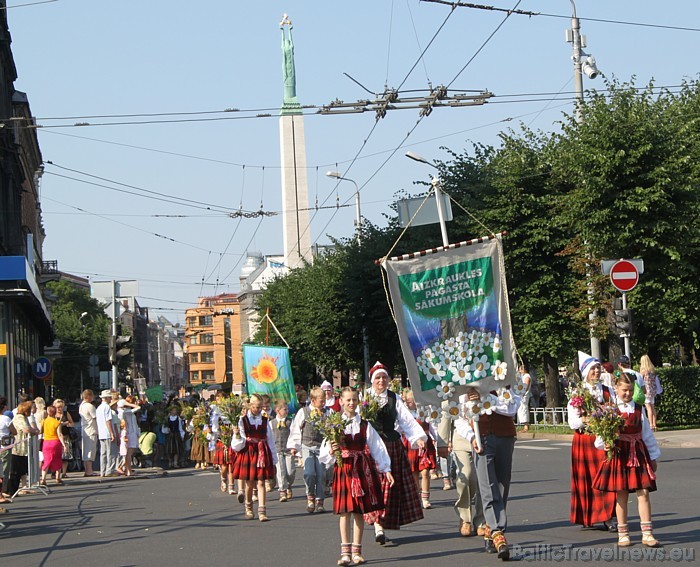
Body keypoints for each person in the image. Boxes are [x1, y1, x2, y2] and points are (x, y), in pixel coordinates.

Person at [320, 387, 394, 566]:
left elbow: (377, 447)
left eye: (354, 400)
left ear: (358, 401)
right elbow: (325, 451)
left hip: (361, 468)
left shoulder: (364, 424)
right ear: (341, 402)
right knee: (345, 512)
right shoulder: (334, 424)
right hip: (344, 469)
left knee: (359, 511)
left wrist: (386, 469)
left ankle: (357, 551)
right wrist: (332, 450)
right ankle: (345, 552)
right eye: (348, 400)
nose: (351, 403)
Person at [592, 372, 661, 548]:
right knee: (621, 493)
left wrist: (653, 456)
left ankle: (647, 533)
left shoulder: (639, 408)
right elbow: (600, 437)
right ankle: (623, 533)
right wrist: (604, 444)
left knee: (643, 492)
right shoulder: (610, 409)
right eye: (624, 390)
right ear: (616, 388)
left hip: (637, 452)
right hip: (619, 453)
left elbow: (647, 434)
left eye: (630, 390)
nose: (627, 394)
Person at [364, 362, 427, 545]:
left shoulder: (394, 398)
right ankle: (378, 526)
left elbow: (406, 420)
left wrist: (418, 437)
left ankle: (381, 523)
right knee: (375, 486)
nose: (381, 381)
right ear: (372, 381)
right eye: (378, 378)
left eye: (384, 377)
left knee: (388, 488)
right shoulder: (365, 398)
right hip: (372, 447)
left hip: (391, 445)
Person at [462, 385, 518, 560]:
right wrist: (471, 437)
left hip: (505, 436)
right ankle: (497, 532)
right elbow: (459, 417)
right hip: (482, 438)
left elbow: (512, 408)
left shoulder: (505, 378)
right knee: (488, 487)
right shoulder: (466, 382)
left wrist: (485, 397)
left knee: (502, 485)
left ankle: (489, 531)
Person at [568, 352, 617, 531]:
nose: (596, 372)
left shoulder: (607, 390)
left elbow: (614, 410)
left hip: (603, 437)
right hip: (585, 439)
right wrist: (587, 420)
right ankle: (589, 514)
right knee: (588, 478)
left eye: (598, 368)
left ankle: (608, 515)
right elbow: (573, 421)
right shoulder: (578, 392)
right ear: (586, 372)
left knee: (605, 477)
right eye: (593, 369)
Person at [438, 393, 485, 537]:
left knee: (483, 479)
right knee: (466, 476)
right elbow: (446, 409)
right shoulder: (455, 379)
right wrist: (442, 441)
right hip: (460, 435)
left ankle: (481, 520)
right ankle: (465, 517)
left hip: (483, 433)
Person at [231, 393, 277, 522]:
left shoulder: (265, 420)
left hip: (262, 451)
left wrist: (273, 458)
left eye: (260, 407)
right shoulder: (242, 420)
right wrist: (237, 436)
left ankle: (262, 510)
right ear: (250, 406)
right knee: (250, 483)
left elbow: (270, 439)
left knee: (262, 481)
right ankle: (249, 508)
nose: (258, 409)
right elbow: (237, 443)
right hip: (249, 451)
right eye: (256, 407)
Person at [288, 386, 328, 513]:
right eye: (321, 401)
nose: (324, 403)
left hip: (322, 447)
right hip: (307, 446)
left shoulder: (327, 412)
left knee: (321, 474)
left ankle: (320, 500)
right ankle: (310, 497)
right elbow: (296, 429)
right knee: (309, 473)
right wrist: (294, 446)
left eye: (324, 400)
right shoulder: (303, 412)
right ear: (313, 400)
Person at [402, 390, 437, 510]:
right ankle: (416, 497)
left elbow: (432, 427)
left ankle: (425, 498)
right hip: (412, 445)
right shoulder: (406, 414)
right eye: (407, 401)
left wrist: (437, 439)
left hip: (425, 444)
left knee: (425, 471)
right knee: (414, 472)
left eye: (410, 401)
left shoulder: (425, 412)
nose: (408, 403)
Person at [7, 401, 34, 495]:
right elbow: (26, 429)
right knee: (15, 470)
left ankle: (22, 487)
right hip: (18, 447)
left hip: (23, 448)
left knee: (22, 469)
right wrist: (34, 430)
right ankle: (11, 490)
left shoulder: (24, 418)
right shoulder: (20, 418)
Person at [271, 400, 295, 502]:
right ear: (277, 410)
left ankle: (289, 485)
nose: (287, 411)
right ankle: (282, 491)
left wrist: (294, 447)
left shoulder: (290, 421)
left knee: (290, 471)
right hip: (278, 450)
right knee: (281, 471)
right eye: (285, 409)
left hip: (288, 450)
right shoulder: (272, 423)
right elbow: (270, 437)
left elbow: (294, 434)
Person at [96, 390, 118, 477]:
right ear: (107, 398)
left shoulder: (99, 408)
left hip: (101, 433)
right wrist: (112, 433)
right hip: (107, 432)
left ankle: (103, 470)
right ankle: (110, 470)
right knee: (111, 453)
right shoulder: (107, 407)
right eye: (110, 397)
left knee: (103, 453)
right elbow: (108, 421)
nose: (111, 398)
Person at [39, 406, 64, 485]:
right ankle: (58, 477)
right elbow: (59, 434)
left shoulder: (44, 421)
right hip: (55, 442)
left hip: (46, 442)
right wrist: (64, 444)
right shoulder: (57, 422)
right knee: (57, 459)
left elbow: (40, 431)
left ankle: (43, 478)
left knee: (46, 460)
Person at [117, 397, 140, 476]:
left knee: (130, 452)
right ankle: (128, 470)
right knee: (128, 453)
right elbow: (138, 407)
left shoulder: (129, 412)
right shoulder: (126, 412)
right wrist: (130, 404)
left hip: (133, 432)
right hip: (129, 433)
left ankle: (124, 467)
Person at [53, 399, 75, 479]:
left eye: (61, 407)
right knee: (55, 456)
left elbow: (72, 423)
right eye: (58, 407)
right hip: (55, 437)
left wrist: (68, 424)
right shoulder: (53, 415)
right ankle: (55, 472)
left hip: (65, 436)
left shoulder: (66, 414)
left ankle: (64, 472)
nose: (60, 409)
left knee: (65, 456)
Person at [639, 355, 662, 431]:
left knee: (648, 408)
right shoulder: (652, 369)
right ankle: (654, 424)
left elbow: (640, 379)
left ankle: (651, 425)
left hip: (646, 390)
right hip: (653, 390)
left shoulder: (643, 370)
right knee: (652, 407)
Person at [79, 390, 98, 476]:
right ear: (88, 396)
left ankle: (87, 470)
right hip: (91, 430)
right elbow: (96, 418)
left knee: (86, 450)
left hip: (85, 430)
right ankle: (89, 470)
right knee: (91, 450)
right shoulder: (90, 406)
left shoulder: (81, 406)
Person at [0, 397, 13, 508]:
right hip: (4, 446)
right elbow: (13, 431)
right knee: (4, 470)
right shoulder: (5, 418)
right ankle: (2, 492)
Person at [516, 365, 532, 432]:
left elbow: (526, 386)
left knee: (523, 409)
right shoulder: (522, 376)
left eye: (520, 369)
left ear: (523, 369)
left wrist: (523, 392)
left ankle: (526, 426)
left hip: (524, 395)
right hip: (521, 395)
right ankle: (522, 424)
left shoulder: (527, 376)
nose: (519, 371)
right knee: (520, 409)